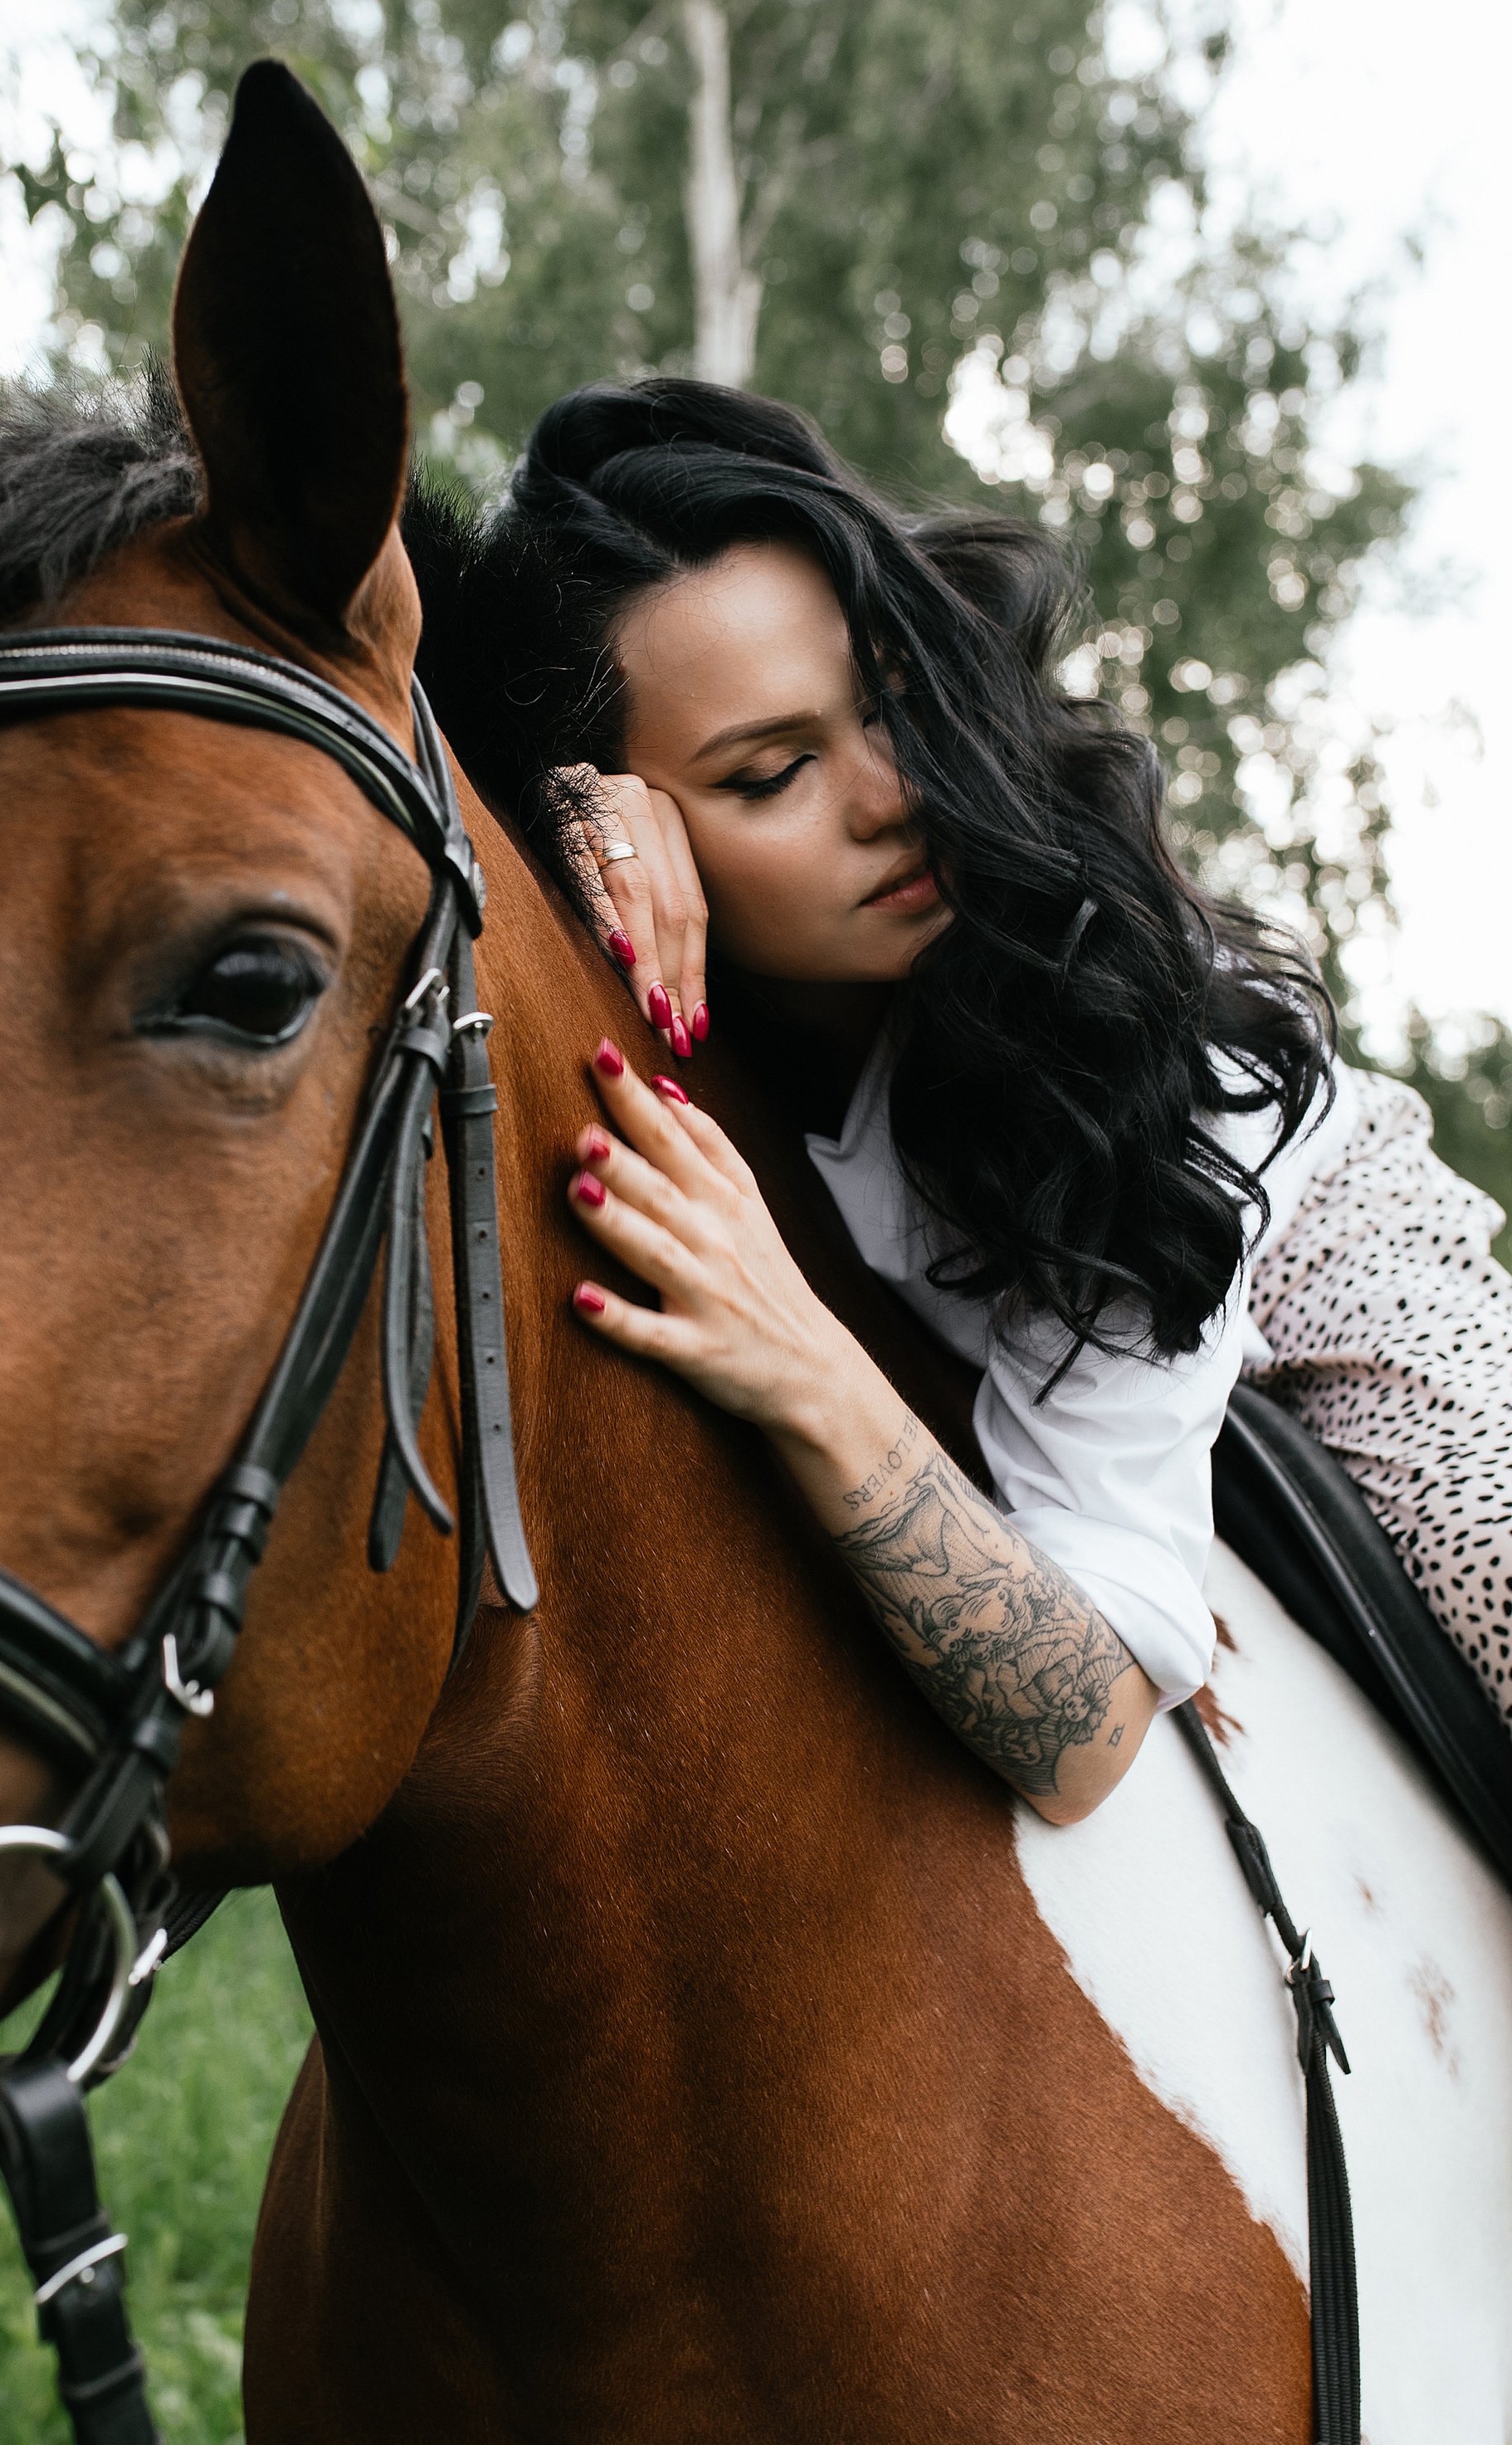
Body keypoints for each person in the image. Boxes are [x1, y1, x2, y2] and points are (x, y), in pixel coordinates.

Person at [427, 379, 1512, 1823]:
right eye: (774, 772)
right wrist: (553, 815)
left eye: (889, 704)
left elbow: (1088, 1737)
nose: (894, 795)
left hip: (1317, 1275)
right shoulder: (613, 893)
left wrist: (796, 1358)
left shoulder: (1111, 1027)